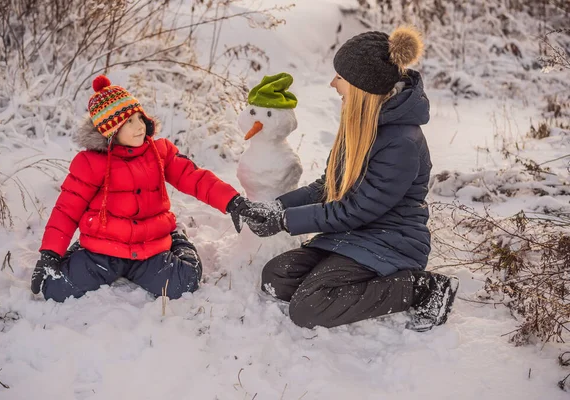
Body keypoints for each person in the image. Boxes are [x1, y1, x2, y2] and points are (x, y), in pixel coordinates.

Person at [242, 26, 459, 332]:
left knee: (309, 308)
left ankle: (420, 288)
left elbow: (355, 209)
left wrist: (286, 221)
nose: (333, 83)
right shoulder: (360, 122)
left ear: (362, 86)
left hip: (388, 240)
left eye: (341, 78)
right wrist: (277, 207)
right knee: (277, 277)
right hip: (350, 234)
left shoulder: (402, 143)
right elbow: (328, 186)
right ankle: (344, 279)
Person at [30, 75, 251, 302]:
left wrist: (232, 201)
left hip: (149, 249)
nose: (139, 126)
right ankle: (78, 251)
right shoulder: (91, 163)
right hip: (103, 251)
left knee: (185, 282)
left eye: (139, 117)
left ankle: (175, 238)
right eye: (128, 121)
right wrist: (49, 254)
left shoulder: (159, 152)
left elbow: (194, 177)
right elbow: (67, 209)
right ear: (110, 130)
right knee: (54, 289)